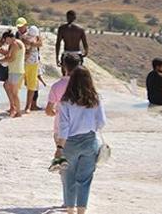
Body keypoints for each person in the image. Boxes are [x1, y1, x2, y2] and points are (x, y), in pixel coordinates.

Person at [56, 67, 107, 214]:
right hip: (90, 141)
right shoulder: (95, 99)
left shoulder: (65, 102)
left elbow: (63, 127)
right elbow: (102, 122)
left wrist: (59, 147)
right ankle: (81, 211)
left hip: (70, 142)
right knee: (84, 179)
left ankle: (70, 210)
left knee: (68, 177)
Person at [46, 54, 81, 171]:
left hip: (60, 128)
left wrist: (55, 112)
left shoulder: (57, 86)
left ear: (64, 67)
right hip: (80, 127)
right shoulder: (83, 86)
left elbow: (49, 110)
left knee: (64, 161)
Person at [0, 30, 25, 117]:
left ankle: (18, 111)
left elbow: (12, 58)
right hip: (15, 70)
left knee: (14, 92)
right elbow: (12, 55)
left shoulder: (15, 44)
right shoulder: (17, 43)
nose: (6, 42)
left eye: (6, 40)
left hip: (16, 71)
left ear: (9, 38)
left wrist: (0, 60)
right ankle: (13, 107)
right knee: (6, 85)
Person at [22, 24, 43, 113]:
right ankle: (19, 106)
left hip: (33, 64)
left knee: (31, 85)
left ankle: (28, 106)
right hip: (25, 63)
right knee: (20, 85)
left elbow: (40, 43)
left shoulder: (36, 38)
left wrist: (32, 43)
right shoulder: (24, 37)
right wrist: (32, 44)